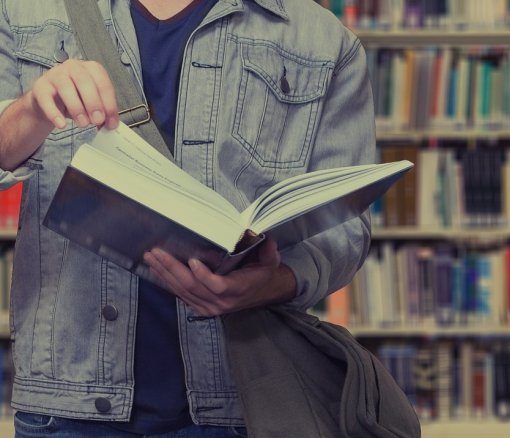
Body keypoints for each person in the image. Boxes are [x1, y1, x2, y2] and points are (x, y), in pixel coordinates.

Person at [0, 0, 375, 436]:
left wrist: (274, 283)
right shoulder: (21, 10)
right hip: (67, 403)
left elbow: (346, 226)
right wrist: (31, 109)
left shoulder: (324, 41)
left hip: (239, 402)